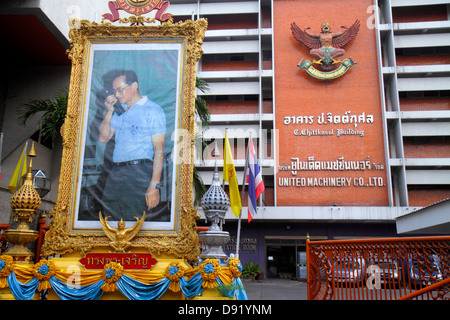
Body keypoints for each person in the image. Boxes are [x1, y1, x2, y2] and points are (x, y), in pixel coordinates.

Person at [98, 70, 166, 220]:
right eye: (114, 91)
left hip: (139, 171)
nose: (116, 95)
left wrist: (154, 186)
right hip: (115, 172)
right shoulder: (118, 113)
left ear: (134, 85)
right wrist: (109, 112)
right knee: (108, 217)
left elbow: (159, 150)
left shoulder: (153, 110)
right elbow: (103, 138)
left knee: (133, 218)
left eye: (119, 90)